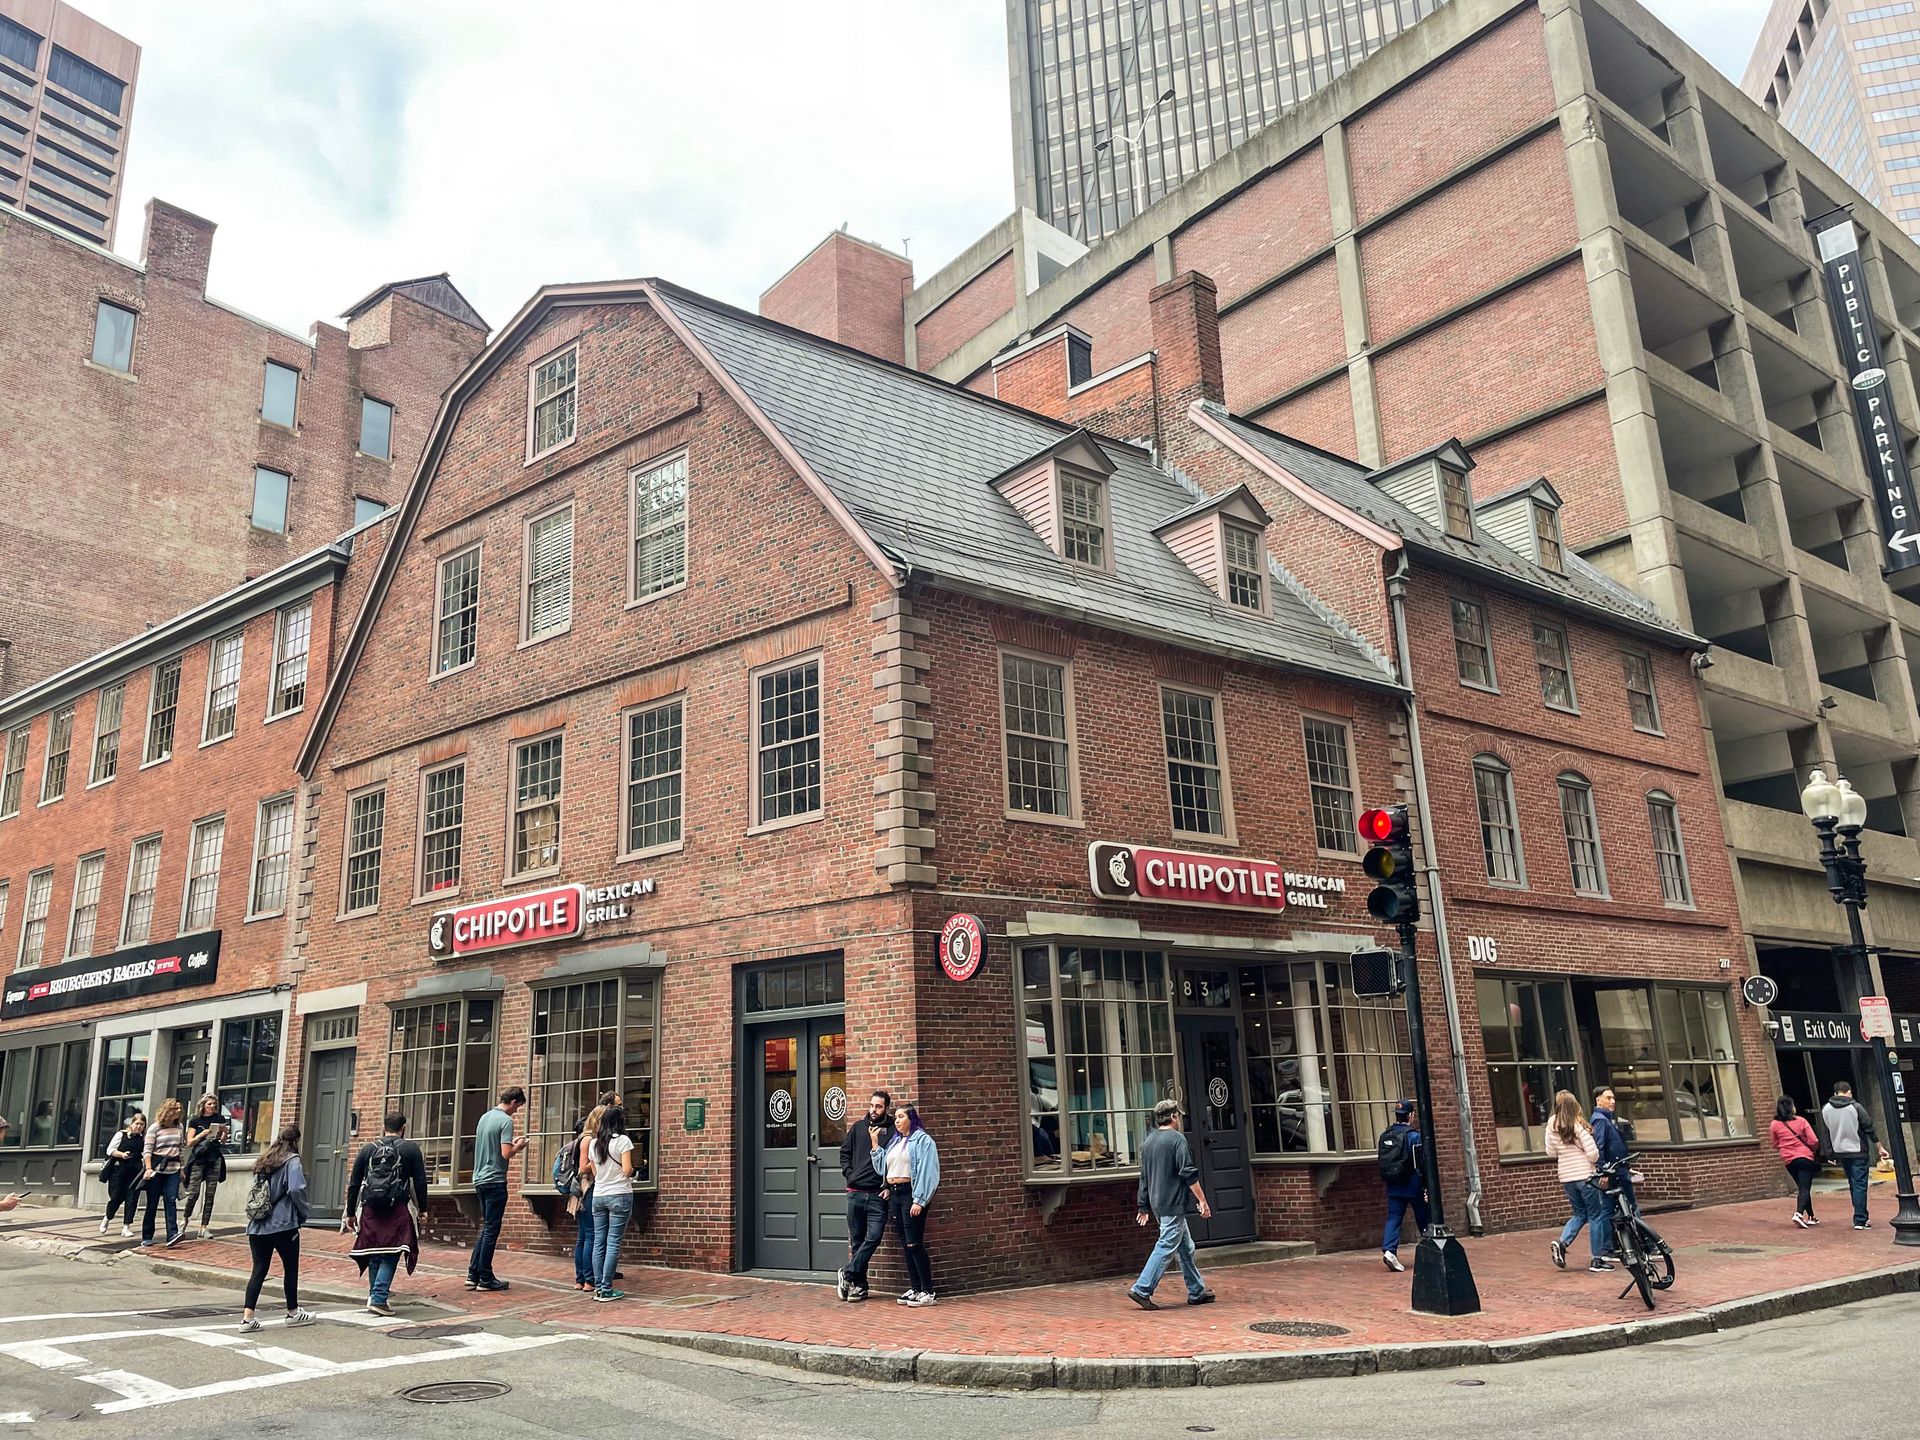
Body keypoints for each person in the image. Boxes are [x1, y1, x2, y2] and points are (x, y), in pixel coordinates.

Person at [1128, 1098, 1214, 1310]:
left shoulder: (1149, 1141)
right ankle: (1142, 1288)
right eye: (1179, 1116)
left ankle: (1196, 1291)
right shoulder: (1177, 1140)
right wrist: (1202, 1200)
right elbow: (1188, 1174)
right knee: (1166, 1245)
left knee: (1185, 1247)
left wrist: (1144, 1206)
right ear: (1174, 1117)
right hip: (1173, 1203)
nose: (1179, 1119)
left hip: (1158, 1203)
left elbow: (1144, 1177)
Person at [343, 1110, 428, 1317]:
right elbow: (420, 1182)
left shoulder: (367, 1149)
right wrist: (423, 1208)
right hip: (397, 1206)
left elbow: (354, 1184)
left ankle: (374, 1296)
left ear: (383, 1127)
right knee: (392, 1251)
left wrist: (351, 1212)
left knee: (373, 1252)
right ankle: (379, 1298)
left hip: (370, 1208)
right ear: (403, 1128)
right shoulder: (411, 1149)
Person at [239, 1124, 315, 1332]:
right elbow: (296, 1189)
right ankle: (292, 1311)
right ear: (296, 1140)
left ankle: (248, 1318)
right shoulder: (292, 1161)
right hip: (283, 1224)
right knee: (290, 1269)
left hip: (257, 1224)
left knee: (259, 1269)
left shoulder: (265, 1160)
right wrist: (304, 1212)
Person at [466, 1086, 528, 1292]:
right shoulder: (505, 1121)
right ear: (514, 1102)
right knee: (492, 1229)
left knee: (486, 1227)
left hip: (479, 1179)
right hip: (495, 1179)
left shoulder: (485, 1117)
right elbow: (505, 1153)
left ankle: (473, 1273)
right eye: (518, 1107)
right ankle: (485, 1277)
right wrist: (519, 1145)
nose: (516, 1111)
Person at [879, 1103, 941, 1307]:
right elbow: (887, 1167)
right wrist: (887, 1186)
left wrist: (920, 1200)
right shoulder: (895, 1142)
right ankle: (915, 1288)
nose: (896, 1121)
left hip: (911, 1195)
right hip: (895, 1195)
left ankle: (928, 1290)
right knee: (906, 1244)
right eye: (895, 1117)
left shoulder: (923, 1141)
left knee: (914, 1243)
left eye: (900, 1116)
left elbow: (928, 1172)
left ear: (911, 1119)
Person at [1545, 1090, 1612, 1274]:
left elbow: (1550, 1152)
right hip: (1585, 1176)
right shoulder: (1577, 1124)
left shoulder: (1551, 1124)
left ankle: (1562, 1242)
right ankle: (1597, 1260)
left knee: (1579, 1213)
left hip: (1566, 1177)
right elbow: (1592, 1152)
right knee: (1595, 1216)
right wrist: (1591, 1160)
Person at [837, 1090, 892, 1303]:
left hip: (878, 1195)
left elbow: (894, 1162)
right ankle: (860, 1287)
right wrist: (850, 1174)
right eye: (871, 1106)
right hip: (855, 1194)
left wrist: (887, 1185)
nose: (873, 1110)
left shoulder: (891, 1132)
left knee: (874, 1237)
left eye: (878, 1106)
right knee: (858, 1241)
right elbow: (844, 1153)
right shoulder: (858, 1128)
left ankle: (847, 1273)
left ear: (886, 1107)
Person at [1821, 1080, 1890, 1230]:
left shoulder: (1826, 1109)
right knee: (1859, 1184)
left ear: (1835, 1093)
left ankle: (1860, 1216)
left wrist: (1829, 1154)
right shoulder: (1855, 1107)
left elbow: (1826, 1133)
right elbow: (1868, 1127)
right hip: (1858, 1150)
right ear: (1849, 1092)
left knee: (1853, 1183)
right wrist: (1879, 1147)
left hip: (1840, 1151)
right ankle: (1860, 1219)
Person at [588, 1103, 635, 1302]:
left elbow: (595, 1171)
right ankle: (607, 1288)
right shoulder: (623, 1141)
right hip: (619, 1193)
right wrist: (633, 1172)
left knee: (599, 1241)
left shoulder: (593, 1143)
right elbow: (626, 1170)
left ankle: (598, 1287)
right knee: (613, 1241)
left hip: (599, 1195)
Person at [1377, 1099, 1427, 1272]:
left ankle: (1390, 1250)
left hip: (1393, 1184)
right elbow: (1421, 1163)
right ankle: (1429, 1248)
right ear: (1411, 1115)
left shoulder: (1385, 1135)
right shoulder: (1414, 1136)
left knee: (1394, 1218)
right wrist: (1426, 1185)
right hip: (1413, 1184)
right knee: (1423, 1216)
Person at [566, 1100, 607, 1293]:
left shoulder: (583, 1137)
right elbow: (583, 1167)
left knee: (583, 1236)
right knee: (590, 1235)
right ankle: (589, 1279)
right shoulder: (589, 1140)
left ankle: (581, 1278)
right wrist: (596, 1164)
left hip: (580, 1191)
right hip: (587, 1189)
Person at [141, 1098, 188, 1249]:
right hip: (157, 1169)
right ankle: (147, 1236)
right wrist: (148, 1168)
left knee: (170, 1200)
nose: (179, 1111)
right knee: (152, 1203)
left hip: (173, 1168)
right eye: (176, 1108)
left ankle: (172, 1234)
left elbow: (180, 1149)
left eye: (180, 1108)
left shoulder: (179, 1127)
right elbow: (147, 1151)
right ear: (168, 1110)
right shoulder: (155, 1128)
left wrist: (181, 1168)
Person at [181, 1095, 229, 1241]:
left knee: (210, 1194)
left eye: (214, 1104)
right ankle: (185, 1219)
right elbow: (189, 1142)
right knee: (194, 1192)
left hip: (214, 1157)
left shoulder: (219, 1118)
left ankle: (204, 1227)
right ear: (203, 1105)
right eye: (209, 1104)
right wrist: (202, 1134)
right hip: (199, 1158)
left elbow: (224, 1140)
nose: (212, 1106)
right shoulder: (196, 1121)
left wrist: (224, 1133)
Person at [1770, 1095, 1822, 1229]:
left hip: (1789, 1160)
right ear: (1792, 1107)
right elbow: (1814, 1140)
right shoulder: (1801, 1121)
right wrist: (1812, 1149)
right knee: (1805, 1188)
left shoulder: (1774, 1124)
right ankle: (1798, 1214)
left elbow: (1775, 1144)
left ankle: (1811, 1216)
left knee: (1802, 1187)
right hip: (1805, 1158)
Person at [1590, 1086, 1634, 1222]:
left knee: (1612, 1209)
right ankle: (1645, 1242)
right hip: (1614, 1172)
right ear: (1598, 1100)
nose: (1613, 1101)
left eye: (1613, 1098)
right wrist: (1604, 1171)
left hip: (1618, 1169)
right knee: (1627, 1207)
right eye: (1608, 1098)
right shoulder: (1601, 1120)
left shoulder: (1606, 1119)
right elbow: (1599, 1146)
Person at [99, 1111, 147, 1236]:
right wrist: (122, 1154)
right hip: (119, 1169)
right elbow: (110, 1150)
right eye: (137, 1123)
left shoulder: (143, 1139)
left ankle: (126, 1226)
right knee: (116, 1197)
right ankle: (107, 1217)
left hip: (135, 1170)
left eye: (142, 1124)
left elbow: (145, 1153)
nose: (139, 1127)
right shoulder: (121, 1135)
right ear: (131, 1124)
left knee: (132, 1198)